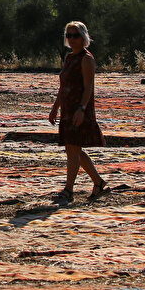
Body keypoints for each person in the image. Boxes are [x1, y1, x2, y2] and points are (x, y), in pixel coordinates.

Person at [48, 21, 106, 203]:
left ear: (83, 37)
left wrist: (82, 109)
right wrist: (55, 107)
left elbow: (89, 87)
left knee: (73, 149)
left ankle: (68, 190)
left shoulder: (86, 59)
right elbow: (63, 85)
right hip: (68, 108)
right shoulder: (69, 57)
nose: (72, 39)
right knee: (73, 148)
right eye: (69, 35)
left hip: (80, 109)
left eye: (75, 35)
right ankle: (99, 183)